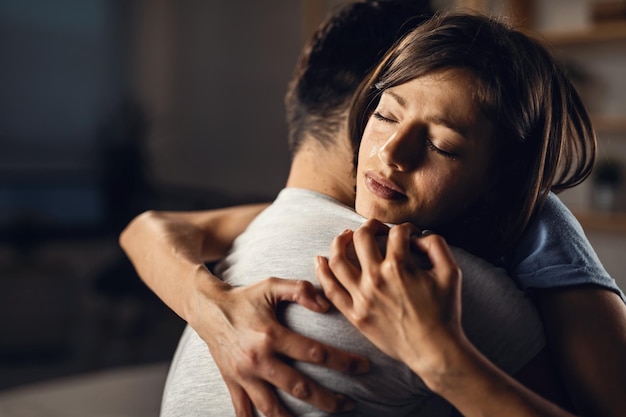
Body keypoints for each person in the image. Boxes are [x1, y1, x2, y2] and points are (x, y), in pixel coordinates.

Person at [119, 5, 625, 417]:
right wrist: (208, 305)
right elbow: (147, 228)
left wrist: (439, 353)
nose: (390, 154)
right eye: (384, 114)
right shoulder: (303, 220)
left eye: (444, 146)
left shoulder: (521, 239)